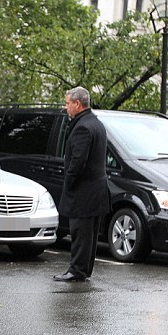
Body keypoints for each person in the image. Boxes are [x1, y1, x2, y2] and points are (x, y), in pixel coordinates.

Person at [53, 86, 110, 282]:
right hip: (96, 190)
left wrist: (68, 182)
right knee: (90, 235)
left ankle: (77, 270)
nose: (66, 107)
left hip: (84, 191)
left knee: (80, 233)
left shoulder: (82, 128)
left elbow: (77, 162)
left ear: (78, 104)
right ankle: (84, 269)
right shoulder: (96, 123)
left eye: (68, 103)